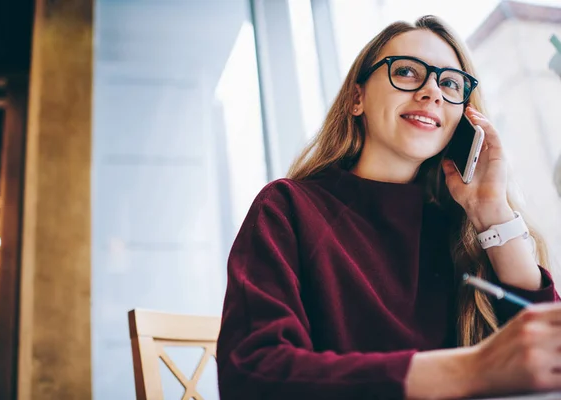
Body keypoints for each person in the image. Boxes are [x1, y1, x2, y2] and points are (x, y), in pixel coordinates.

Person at [217, 15, 561, 399]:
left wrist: (491, 212)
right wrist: (471, 368)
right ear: (356, 98)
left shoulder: (462, 225)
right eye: (408, 72)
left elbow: (549, 358)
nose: (432, 92)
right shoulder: (286, 208)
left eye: (449, 83)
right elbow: (251, 374)